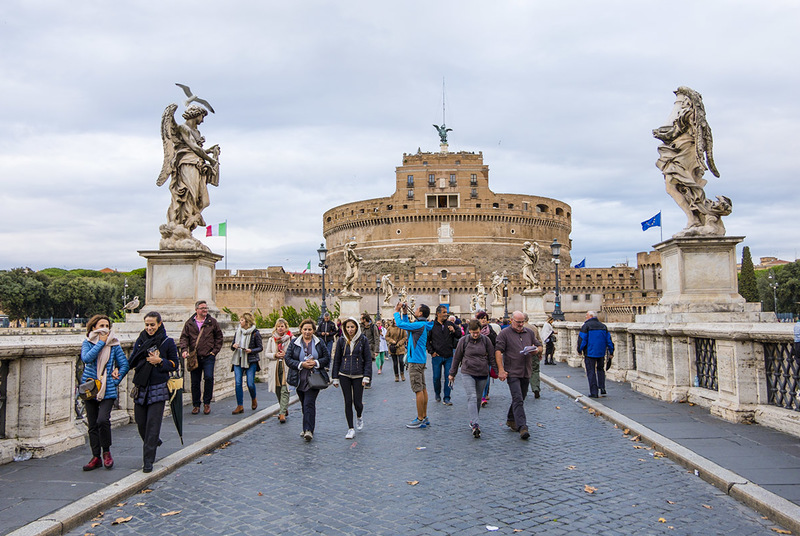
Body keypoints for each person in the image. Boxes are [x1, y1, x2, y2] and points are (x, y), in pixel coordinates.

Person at [129, 312, 180, 473]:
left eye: (152, 324)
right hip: (141, 386)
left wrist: (160, 361)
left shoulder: (167, 342)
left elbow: (174, 364)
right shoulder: (140, 341)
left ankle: (148, 460)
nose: (149, 328)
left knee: (153, 424)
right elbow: (132, 361)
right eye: (147, 325)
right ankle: (153, 441)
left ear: (159, 324)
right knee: (140, 422)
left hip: (158, 386)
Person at [80, 315, 130, 471]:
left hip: (107, 390)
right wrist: (101, 343)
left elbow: (124, 365)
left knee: (103, 420)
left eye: (107, 326)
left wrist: (115, 380)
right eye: (101, 325)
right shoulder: (87, 343)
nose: (104, 328)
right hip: (90, 389)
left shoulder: (114, 344)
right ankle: (96, 457)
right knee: (92, 424)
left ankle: (106, 452)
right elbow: (87, 358)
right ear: (94, 327)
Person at [495, 311, 541, 440]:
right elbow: (498, 351)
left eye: (522, 322)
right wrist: (501, 370)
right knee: (518, 398)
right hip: (512, 371)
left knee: (520, 397)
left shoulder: (529, 333)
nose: (521, 325)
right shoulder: (504, 334)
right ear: (511, 321)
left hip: (526, 371)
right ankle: (522, 427)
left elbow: (539, 346)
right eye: (518, 322)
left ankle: (511, 419)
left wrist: (536, 350)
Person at [449, 319, 496, 438]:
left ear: (480, 330)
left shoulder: (486, 340)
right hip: (467, 372)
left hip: (482, 373)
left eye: (477, 332)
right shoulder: (463, 341)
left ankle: (473, 419)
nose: (475, 335)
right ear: (469, 331)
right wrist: (452, 373)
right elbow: (457, 358)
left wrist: (497, 371)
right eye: (473, 332)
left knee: (479, 399)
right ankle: (475, 424)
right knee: (472, 397)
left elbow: (492, 356)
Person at [285, 318, 331, 441]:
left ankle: (308, 430)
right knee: (304, 404)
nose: (307, 332)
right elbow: (288, 359)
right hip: (299, 378)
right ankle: (307, 425)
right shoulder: (294, 343)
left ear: (314, 330)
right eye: (305, 329)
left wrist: (315, 362)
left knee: (309, 403)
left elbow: (326, 358)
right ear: (300, 330)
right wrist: (301, 365)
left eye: (309, 329)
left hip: (314, 378)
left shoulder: (319, 342)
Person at [393, 301, 434, 428]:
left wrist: (396, 311)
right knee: (423, 389)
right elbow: (408, 327)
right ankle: (425, 416)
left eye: (416, 309)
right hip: (420, 360)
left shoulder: (419, 325)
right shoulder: (422, 325)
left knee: (418, 390)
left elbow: (400, 324)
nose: (415, 310)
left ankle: (420, 418)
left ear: (420, 313)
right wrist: (405, 313)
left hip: (415, 361)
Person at [179, 300, 224, 415]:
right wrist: (184, 350)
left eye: (206, 308)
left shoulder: (212, 322)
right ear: (196, 310)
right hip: (195, 357)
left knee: (208, 378)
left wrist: (214, 352)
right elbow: (184, 338)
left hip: (208, 356)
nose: (205, 310)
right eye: (202, 308)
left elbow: (219, 337)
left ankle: (207, 403)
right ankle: (196, 404)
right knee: (195, 382)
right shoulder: (189, 323)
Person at [331, 317, 373, 439]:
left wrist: (367, 376)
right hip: (344, 374)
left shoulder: (363, 340)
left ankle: (359, 416)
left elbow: (368, 360)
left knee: (357, 402)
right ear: (345, 328)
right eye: (348, 327)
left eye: (352, 327)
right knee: (348, 401)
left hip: (359, 375)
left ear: (356, 328)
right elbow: (337, 359)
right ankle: (350, 428)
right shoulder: (341, 341)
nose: (350, 330)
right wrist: (335, 377)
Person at [230, 313, 263, 414]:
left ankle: (253, 398)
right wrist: (234, 346)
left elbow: (260, 347)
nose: (240, 322)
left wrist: (251, 350)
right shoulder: (238, 332)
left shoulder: (255, 333)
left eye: (242, 320)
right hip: (238, 360)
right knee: (238, 383)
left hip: (250, 360)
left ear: (247, 322)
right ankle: (240, 405)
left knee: (250, 384)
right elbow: (232, 346)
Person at [427, 306, 460, 405]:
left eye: (446, 312)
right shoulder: (431, 325)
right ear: (438, 313)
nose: (446, 314)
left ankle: (447, 397)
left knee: (448, 377)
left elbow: (459, 334)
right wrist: (431, 352)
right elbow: (427, 340)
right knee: (436, 377)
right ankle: (437, 393)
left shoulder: (450, 324)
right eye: (444, 312)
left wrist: (454, 330)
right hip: (436, 356)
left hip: (449, 355)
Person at [578, 311, 614, 398]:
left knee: (591, 371)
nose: (585, 317)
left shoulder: (586, 326)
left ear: (590, 316)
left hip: (590, 352)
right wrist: (611, 351)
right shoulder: (603, 326)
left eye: (586, 315)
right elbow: (609, 340)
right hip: (601, 352)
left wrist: (579, 349)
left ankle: (594, 392)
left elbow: (582, 340)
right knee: (600, 370)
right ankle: (602, 387)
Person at [264, 318, 292, 423]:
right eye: (278, 326)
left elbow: (293, 353)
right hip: (275, 366)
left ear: (286, 328)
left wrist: (286, 355)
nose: (280, 328)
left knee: (285, 388)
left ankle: (282, 413)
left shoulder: (290, 339)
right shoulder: (272, 339)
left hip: (286, 366)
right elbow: (267, 353)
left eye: (282, 326)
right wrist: (275, 355)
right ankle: (283, 407)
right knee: (277, 388)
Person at [476, 310, 498, 408]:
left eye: (485, 318)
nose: (484, 320)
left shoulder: (491, 330)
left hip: (488, 357)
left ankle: (483, 396)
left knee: (487, 377)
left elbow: (495, 341)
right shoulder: (473, 329)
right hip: (476, 358)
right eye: (482, 318)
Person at [524, 313, 544, 399]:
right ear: (528, 319)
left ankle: (523, 390)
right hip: (533, 352)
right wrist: (539, 353)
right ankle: (536, 388)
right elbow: (539, 341)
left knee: (523, 371)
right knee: (535, 371)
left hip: (523, 353)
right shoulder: (534, 328)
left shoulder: (517, 328)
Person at [361, 313, 380, 385]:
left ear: (364, 319)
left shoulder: (372, 327)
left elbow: (376, 338)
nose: (360, 320)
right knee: (361, 365)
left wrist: (376, 350)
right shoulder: (360, 327)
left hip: (370, 348)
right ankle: (363, 379)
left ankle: (368, 381)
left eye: (361, 318)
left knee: (368, 365)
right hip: (361, 348)